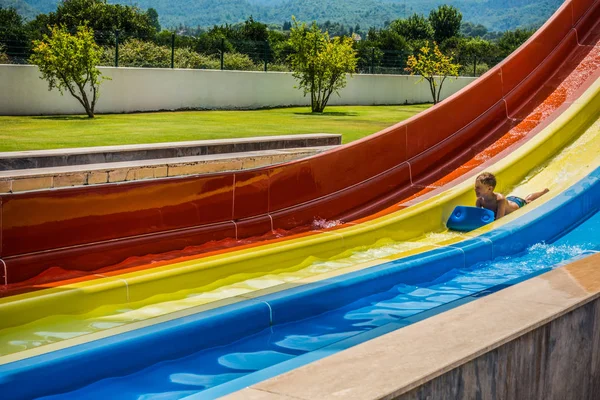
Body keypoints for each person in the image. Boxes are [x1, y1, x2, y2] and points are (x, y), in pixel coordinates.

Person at [474, 172, 549, 220]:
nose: (475, 189)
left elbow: (499, 219)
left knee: (527, 201)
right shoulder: (479, 201)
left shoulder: (500, 200)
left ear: (489, 189)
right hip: (508, 201)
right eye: (475, 187)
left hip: (517, 203)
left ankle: (543, 192)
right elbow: (478, 217)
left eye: (478, 187)